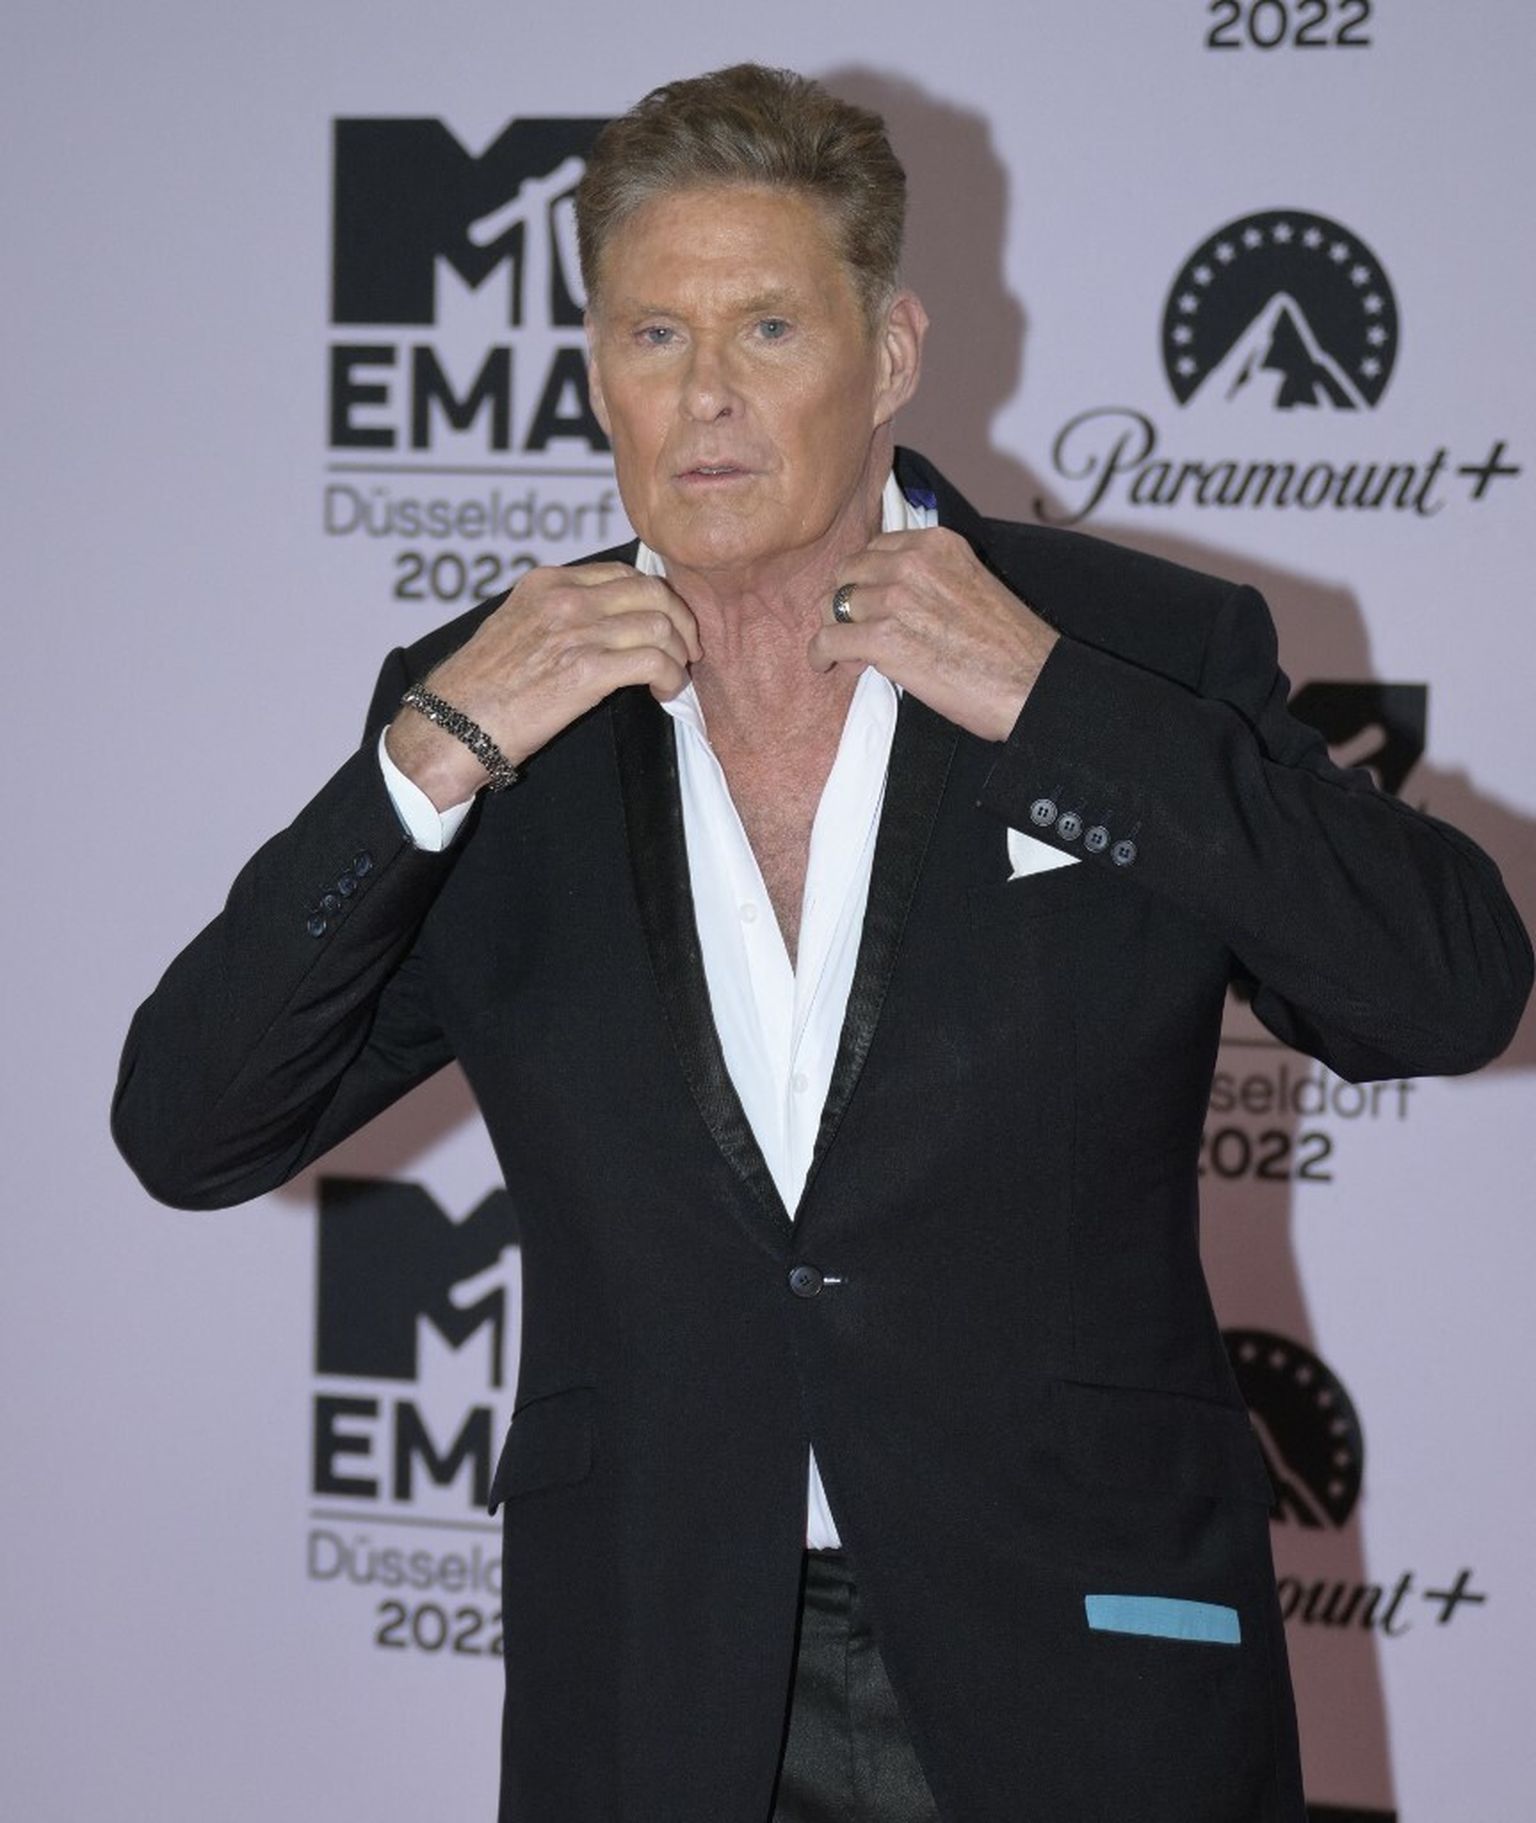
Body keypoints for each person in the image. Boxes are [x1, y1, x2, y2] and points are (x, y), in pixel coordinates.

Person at [113, 63, 1530, 1823]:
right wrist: (427, 759)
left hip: (1089, 1665)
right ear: (595, 371)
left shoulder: (1123, 649)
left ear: (895, 352)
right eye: (653, 336)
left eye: (769, 329)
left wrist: (1060, 709)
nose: (705, 394)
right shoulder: (497, 711)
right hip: (655, 1680)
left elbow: (1446, 991)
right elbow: (192, 1128)